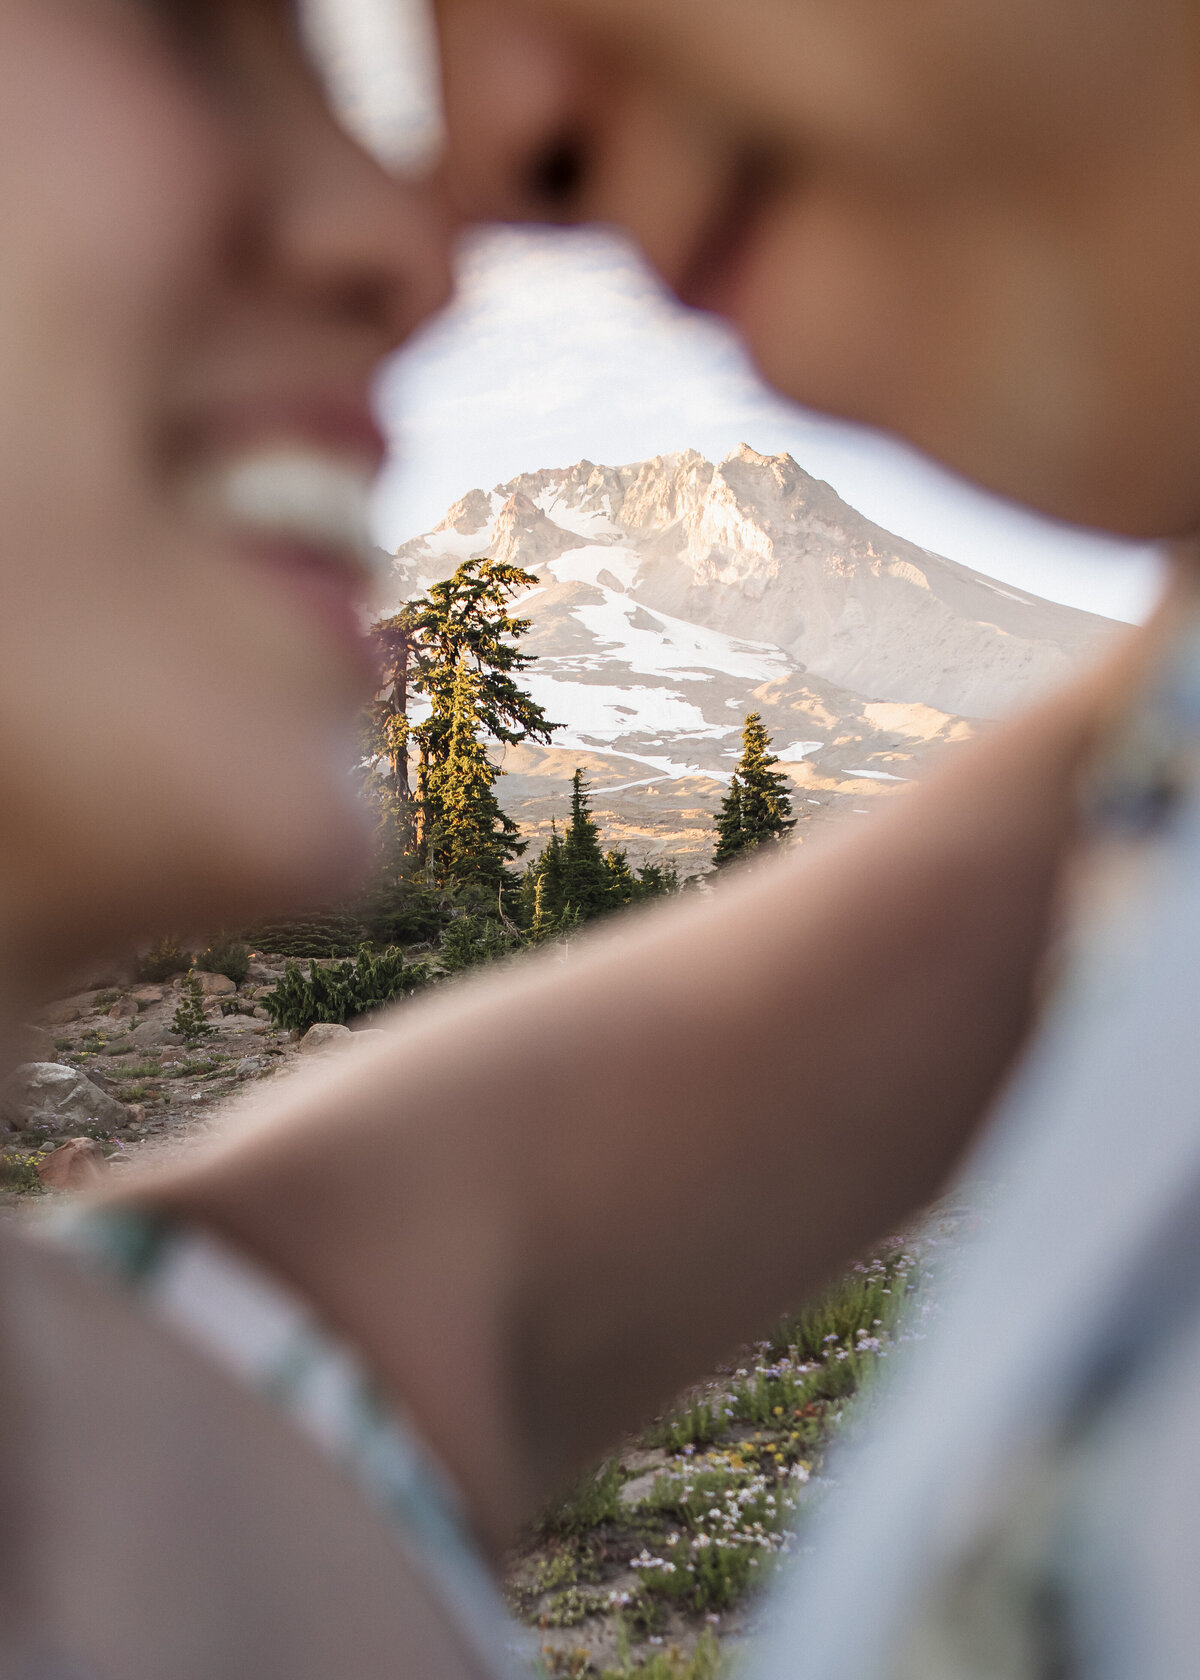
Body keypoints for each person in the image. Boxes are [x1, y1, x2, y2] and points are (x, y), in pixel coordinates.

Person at [0, 0, 1168, 1677]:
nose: (413, 235)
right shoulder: (199, 1429)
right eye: (190, 25)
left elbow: (1080, 789)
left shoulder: (170, 1404)